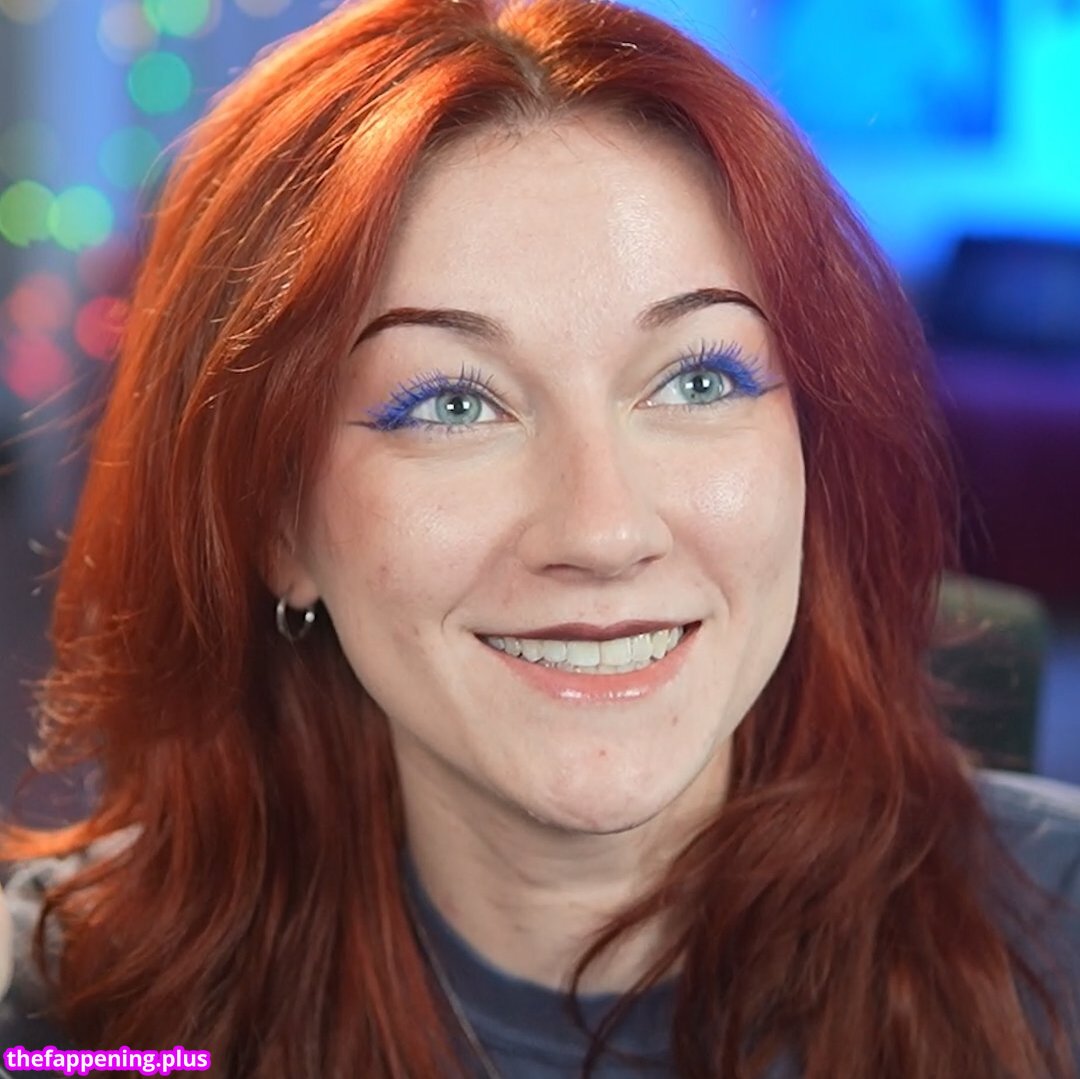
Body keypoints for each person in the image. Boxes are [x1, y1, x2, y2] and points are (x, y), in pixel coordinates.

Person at [0, 0, 1077, 1075]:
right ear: (277, 522)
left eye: (699, 380)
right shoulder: (73, 1006)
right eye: (453, 404)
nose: (603, 529)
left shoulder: (1056, 943)